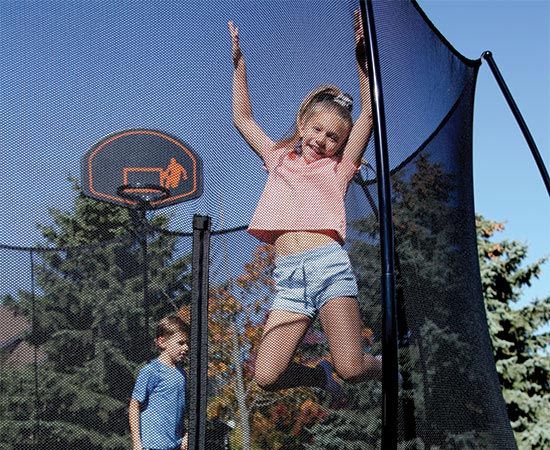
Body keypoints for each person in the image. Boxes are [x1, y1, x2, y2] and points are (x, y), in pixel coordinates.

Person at [228, 11, 381, 404]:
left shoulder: (339, 168)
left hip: (327, 266)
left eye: (333, 137)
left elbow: (367, 114)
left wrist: (362, 60)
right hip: (289, 280)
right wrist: (239, 65)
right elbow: (243, 120)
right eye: (317, 130)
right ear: (301, 126)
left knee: (353, 367)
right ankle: (317, 378)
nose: (323, 140)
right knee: (264, 376)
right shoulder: (278, 159)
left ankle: (389, 364)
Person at [129, 314, 190, 450]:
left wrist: (186, 434)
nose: (186, 347)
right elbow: (134, 406)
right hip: (152, 446)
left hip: (175, 446)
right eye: (180, 343)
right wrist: (137, 444)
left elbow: (182, 411)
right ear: (162, 342)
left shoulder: (182, 374)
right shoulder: (151, 371)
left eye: (187, 343)